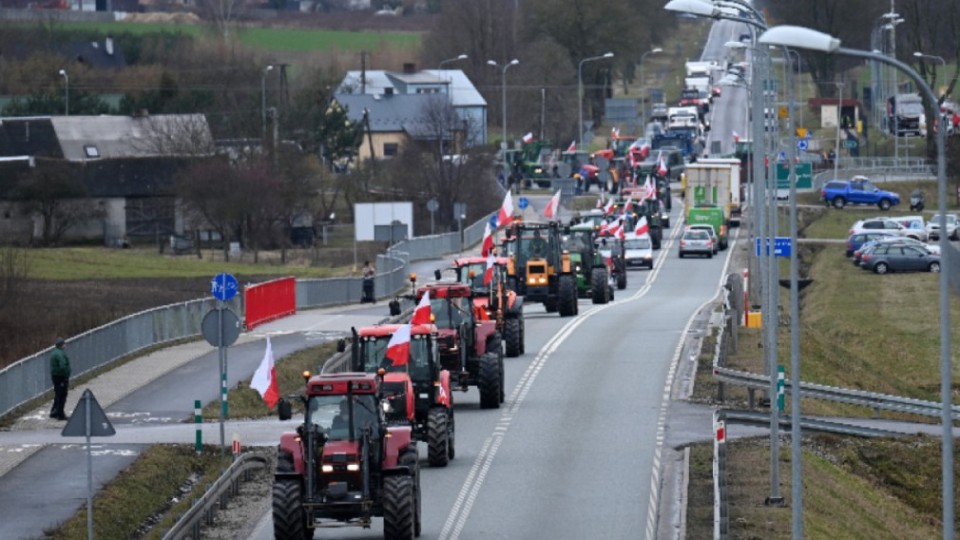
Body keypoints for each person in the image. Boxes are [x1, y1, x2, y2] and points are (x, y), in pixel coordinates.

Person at [49, 338, 70, 420]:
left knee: (57, 394)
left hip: (55, 376)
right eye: (64, 344)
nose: (65, 345)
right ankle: (60, 414)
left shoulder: (54, 352)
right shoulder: (60, 354)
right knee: (62, 395)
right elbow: (63, 366)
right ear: (61, 345)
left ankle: (54, 411)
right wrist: (66, 375)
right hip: (61, 377)